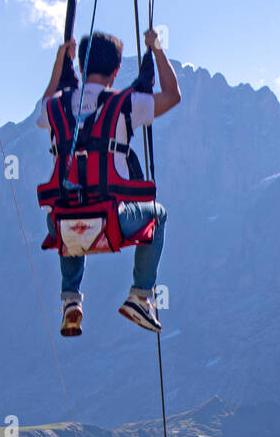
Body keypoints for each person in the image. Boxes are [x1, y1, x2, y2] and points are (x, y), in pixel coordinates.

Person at [37, 29, 181, 336]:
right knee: (158, 214)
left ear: (80, 66)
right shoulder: (126, 104)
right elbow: (172, 95)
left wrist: (59, 63)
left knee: (69, 212)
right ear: (116, 71)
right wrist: (156, 49)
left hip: (60, 225)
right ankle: (140, 296)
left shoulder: (54, 109)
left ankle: (70, 299)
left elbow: (46, 101)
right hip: (111, 220)